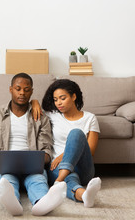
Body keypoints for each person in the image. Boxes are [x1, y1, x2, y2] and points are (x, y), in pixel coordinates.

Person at [0, 73, 67, 216]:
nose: (22, 93)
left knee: (38, 179)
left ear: (31, 92)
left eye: (26, 90)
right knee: (7, 180)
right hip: (2, 165)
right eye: (18, 88)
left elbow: (46, 149)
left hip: (31, 166)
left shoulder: (41, 118)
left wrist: (35, 162)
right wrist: (8, 162)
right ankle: (13, 203)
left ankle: (41, 202)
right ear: (11, 89)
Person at [32, 79, 101, 208]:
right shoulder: (52, 115)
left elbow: (90, 150)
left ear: (74, 96)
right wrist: (34, 102)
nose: (58, 103)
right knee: (69, 178)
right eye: (55, 99)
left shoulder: (90, 118)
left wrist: (63, 156)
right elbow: (32, 108)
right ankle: (83, 195)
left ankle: (57, 182)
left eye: (62, 98)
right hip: (56, 167)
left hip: (83, 168)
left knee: (76, 133)